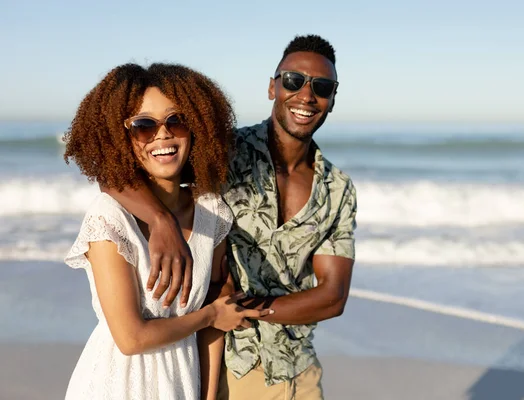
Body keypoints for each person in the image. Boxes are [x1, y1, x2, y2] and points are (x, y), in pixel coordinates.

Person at [107, 34, 357, 400]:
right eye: (293, 80)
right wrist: (161, 220)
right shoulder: (222, 152)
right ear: (273, 87)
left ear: (332, 100)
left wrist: (244, 309)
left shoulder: (338, 188)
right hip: (229, 365)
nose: (306, 95)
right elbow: (115, 175)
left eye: (321, 87)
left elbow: (332, 297)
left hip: (301, 370)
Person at [62, 63, 272, 400]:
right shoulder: (110, 218)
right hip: (115, 386)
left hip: (182, 382)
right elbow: (131, 339)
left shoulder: (211, 213)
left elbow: (215, 319)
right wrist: (209, 316)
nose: (162, 134)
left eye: (177, 120)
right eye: (143, 126)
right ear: (120, 138)